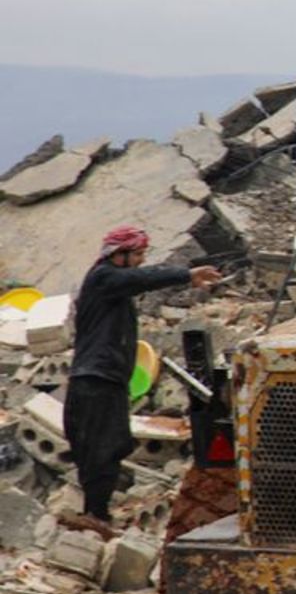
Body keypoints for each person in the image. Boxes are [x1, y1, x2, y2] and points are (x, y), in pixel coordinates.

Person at [64, 226, 221, 536]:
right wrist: (186, 275)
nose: (139, 261)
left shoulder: (112, 286)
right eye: (135, 254)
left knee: (113, 443)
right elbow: (141, 279)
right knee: (102, 446)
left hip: (106, 379)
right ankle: (95, 514)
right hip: (96, 379)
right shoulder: (104, 278)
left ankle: (97, 512)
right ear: (117, 255)